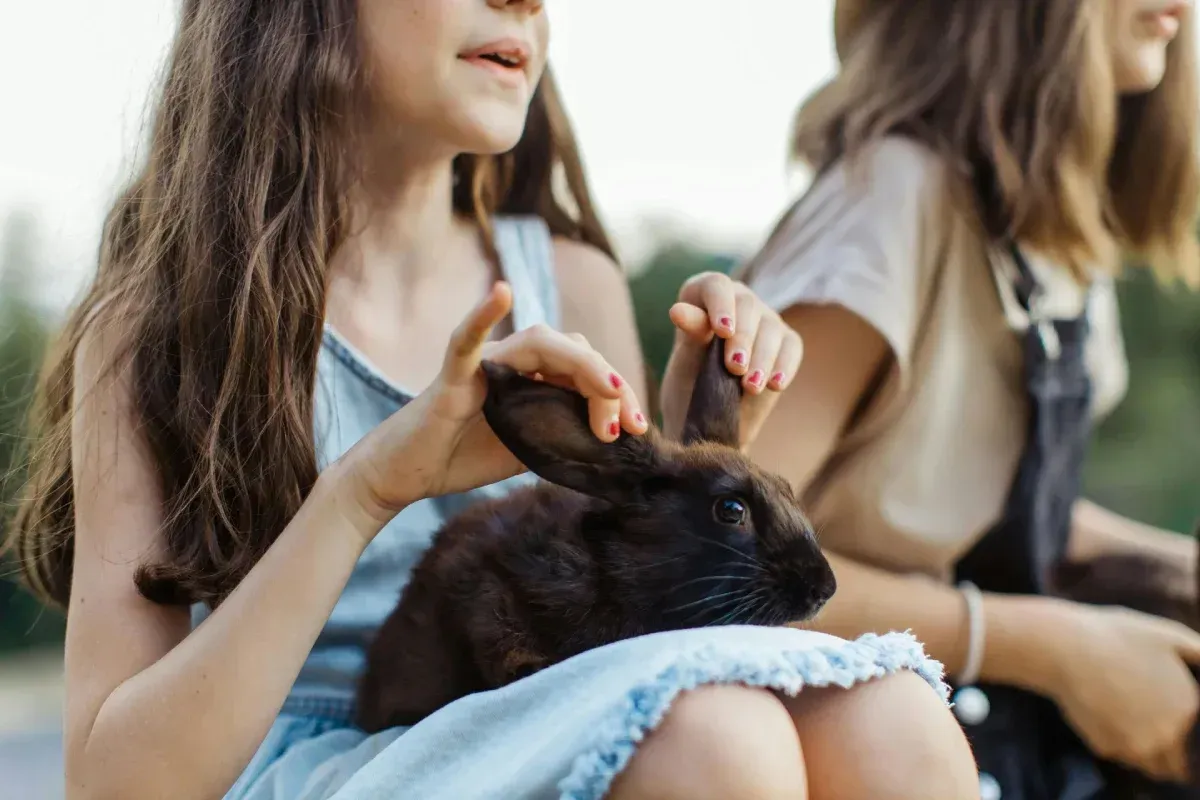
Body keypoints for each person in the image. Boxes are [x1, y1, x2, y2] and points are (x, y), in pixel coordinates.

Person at [3, 2, 980, 799]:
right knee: (717, 738)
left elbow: (623, 612)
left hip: (545, 706)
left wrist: (697, 457)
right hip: (319, 762)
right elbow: (111, 782)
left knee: (895, 712)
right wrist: (364, 489)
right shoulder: (162, 327)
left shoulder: (573, 280)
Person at [739, 0, 1200, 797]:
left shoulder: (1055, 237)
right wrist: (1059, 649)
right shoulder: (892, 200)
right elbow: (714, 556)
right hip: (857, 746)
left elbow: (994, 506)